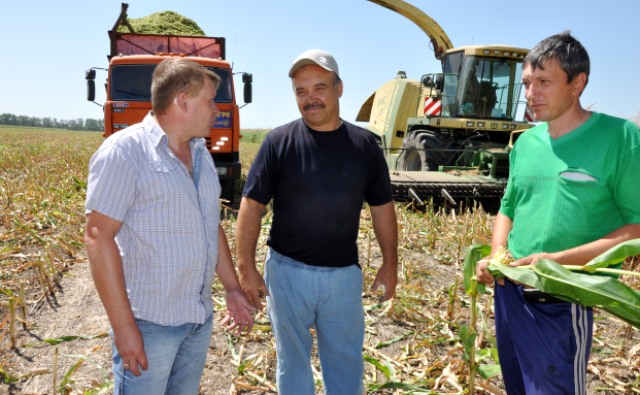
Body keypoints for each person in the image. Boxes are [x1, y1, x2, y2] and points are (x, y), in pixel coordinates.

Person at [476, 32, 640, 394]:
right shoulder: (526, 143)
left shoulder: (620, 138)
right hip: (508, 296)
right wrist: (496, 254)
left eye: (544, 82)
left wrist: (554, 262)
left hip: (562, 299)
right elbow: (508, 207)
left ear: (577, 82)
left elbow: (637, 228)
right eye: (527, 84)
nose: (531, 94)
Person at [84, 58, 255, 395]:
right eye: (210, 100)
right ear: (182, 100)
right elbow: (97, 237)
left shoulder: (202, 154)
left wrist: (233, 289)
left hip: (198, 320)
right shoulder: (124, 152)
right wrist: (124, 327)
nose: (218, 110)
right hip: (149, 326)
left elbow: (210, 224)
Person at [235, 49, 399, 395]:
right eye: (301, 91)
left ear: (339, 88)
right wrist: (246, 267)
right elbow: (251, 206)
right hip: (286, 273)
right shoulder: (278, 142)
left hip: (342, 278)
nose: (310, 98)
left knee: (345, 363)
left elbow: (382, 207)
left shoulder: (365, 146)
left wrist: (390, 263)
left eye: (319, 88)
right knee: (292, 362)